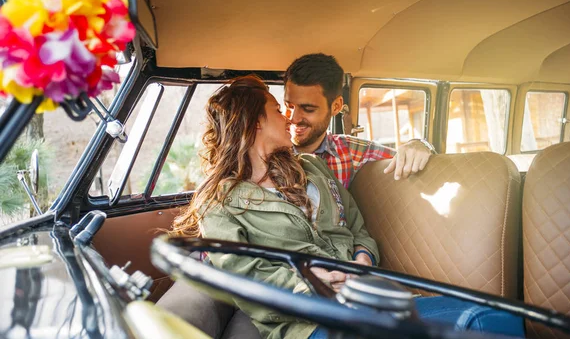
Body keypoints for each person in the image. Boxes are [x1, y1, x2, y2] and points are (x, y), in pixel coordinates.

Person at [163, 76, 524, 339]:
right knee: (477, 325)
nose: (289, 117)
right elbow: (244, 277)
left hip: (367, 296)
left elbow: (357, 228)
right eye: (278, 110)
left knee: (494, 316)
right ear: (255, 121)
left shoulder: (315, 169)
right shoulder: (221, 202)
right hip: (309, 320)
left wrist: (363, 259)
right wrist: (313, 281)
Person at [283, 53, 434, 189]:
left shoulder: (351, 151)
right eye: (288, 106)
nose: (293, 118)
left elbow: (404, 158)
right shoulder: (269, 150)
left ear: (336, 106)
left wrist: (419, 145)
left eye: (308, 109)